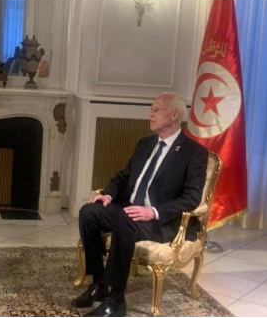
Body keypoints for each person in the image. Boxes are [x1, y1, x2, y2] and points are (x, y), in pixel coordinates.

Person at [70, 92, 208, 317]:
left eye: (156, 109)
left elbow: (192, 198)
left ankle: (116, 299)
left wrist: (153, 211)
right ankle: (99, 284)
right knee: (89, 212)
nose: (150, 114)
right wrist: (108, 195)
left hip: (161, 221)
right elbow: (123, 176)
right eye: (151, 109)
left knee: (125, 219)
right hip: (129, 209)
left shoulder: (194, 152)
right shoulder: (145, 144)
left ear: (174, 114)